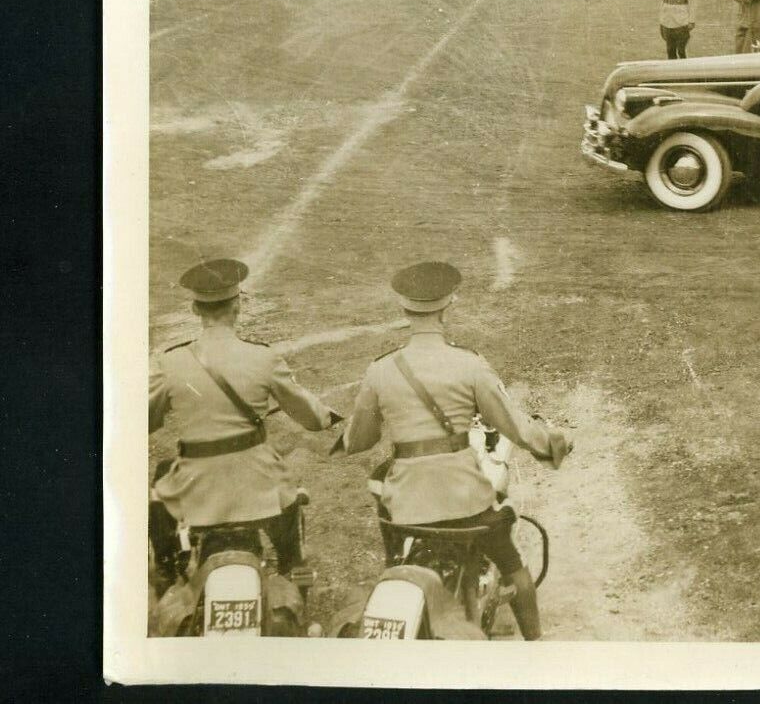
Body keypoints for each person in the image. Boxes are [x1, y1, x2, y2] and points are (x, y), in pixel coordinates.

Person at [340, 261, 572, 639]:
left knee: (392, 550)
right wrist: (555, 442)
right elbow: (513, 426)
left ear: (404, 309)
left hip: (406, 506)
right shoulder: (470, 365)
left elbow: (360, 440)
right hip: (464, 503)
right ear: (449, 305)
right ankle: (536, 647)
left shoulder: (379, 370)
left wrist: (347, 437)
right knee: (513, 564)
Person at [148, 260, 341, 587]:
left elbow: (144, 420)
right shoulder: (262, 357)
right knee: (290, 499)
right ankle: (294, 572)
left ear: (196, 309)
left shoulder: (170, 361)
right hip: (256, 487)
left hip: (195, 489)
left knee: (159, 488)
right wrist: (327, 417)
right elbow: (310, 416)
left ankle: (166, 576)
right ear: (237, 307)